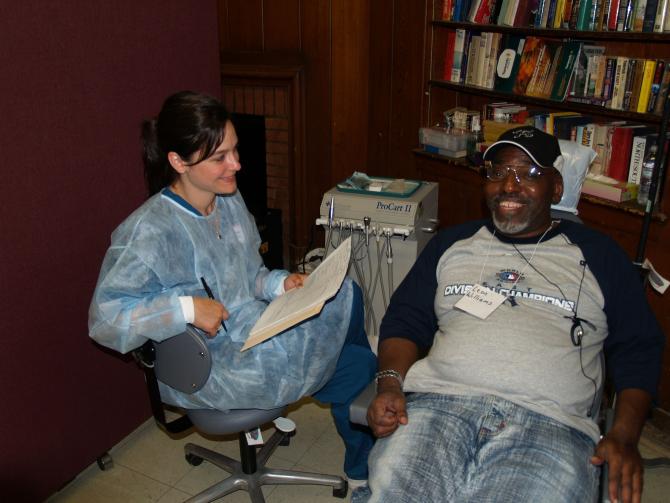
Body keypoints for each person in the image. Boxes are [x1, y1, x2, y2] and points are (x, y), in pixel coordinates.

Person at [355, 126, 664, 503]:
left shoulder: (599, 254)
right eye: (498, 172)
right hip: (435, 407)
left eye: (529, 173)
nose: (509, 186)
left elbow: (638, 347)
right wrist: (389, 384)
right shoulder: (453, 243)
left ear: (556, 188)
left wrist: (625, 436)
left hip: (550, 424)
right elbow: (405, 320)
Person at [88, 90, 376, 484]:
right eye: (220, 157)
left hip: (252, 327)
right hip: (209, 362)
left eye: (235, 150)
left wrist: (280, 284)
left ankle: (351, 400)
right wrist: (187, 309)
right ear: (178, 161)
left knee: (346, 294)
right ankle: (361, 459)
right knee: (355, 365)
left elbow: (250, 275)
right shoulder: (148, 231)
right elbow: (106, 319)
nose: (236, 165)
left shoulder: (228, 198)